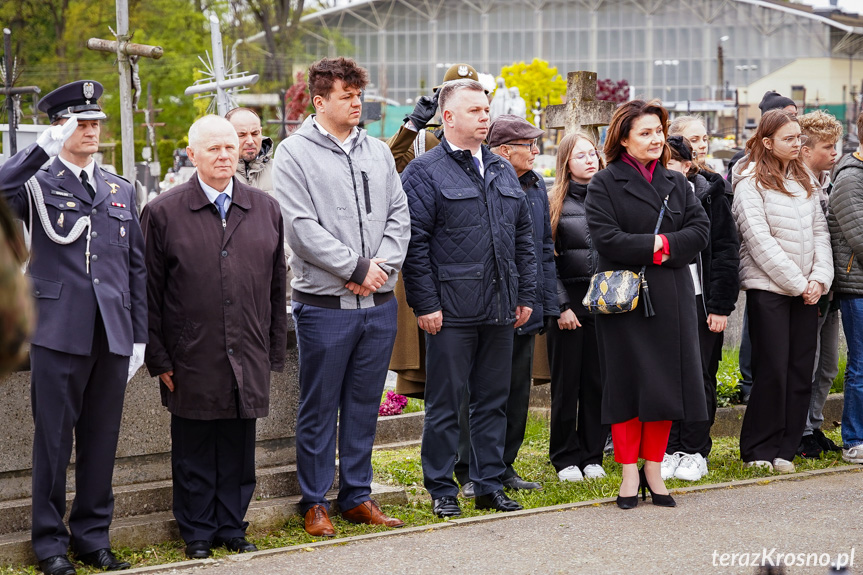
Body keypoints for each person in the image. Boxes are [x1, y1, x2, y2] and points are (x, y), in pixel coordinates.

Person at [0, 80, 147, 575]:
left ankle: (92, 538)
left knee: (102, 440)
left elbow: (136, 268)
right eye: (78, 123)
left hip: (111, 334)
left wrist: (141, 335)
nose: (90, 130)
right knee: (53, 443)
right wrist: (33, 151)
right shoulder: (36, 184)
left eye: (94, 122)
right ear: (59, 128)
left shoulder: (120, 188)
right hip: (57, 332)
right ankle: (48, 545)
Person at [272, 57, 410, 537]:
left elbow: (398, 215)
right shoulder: (293, 154)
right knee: (319, 406)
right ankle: (314, 501)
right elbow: (300, 227)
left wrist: (380, 271)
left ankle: (357, 495)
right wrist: (355, 268)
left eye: (358, 95)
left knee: (363, 402)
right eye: (346, 96)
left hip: (377, 305)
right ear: (320, 101)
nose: (357, 103)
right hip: (324, 306)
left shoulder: (377, 151)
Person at [142, 115, 288, 559]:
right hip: (191, 353)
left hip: (248, 348)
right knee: (194, 448)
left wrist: (272, 350)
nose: (225, 155)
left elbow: (276, 286)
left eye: (230, 147)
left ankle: (232, 525)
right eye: (213, 149)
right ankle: (198, 532)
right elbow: (147, 292)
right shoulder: (164, 211)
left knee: (239, 447)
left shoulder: (264, 207)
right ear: (193, 155)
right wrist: (160, 359)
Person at [401, 79, 536, 518]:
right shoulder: (423, 172)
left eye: (486, 109)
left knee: (492, 401)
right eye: (475, 111)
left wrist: (524, 294)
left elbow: (523, 239)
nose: (485, 117)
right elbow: (414, 244)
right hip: (451, 312)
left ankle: (488, 483)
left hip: (500, 307)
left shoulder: (499, 168)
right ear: (449, 117)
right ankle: (442, 487)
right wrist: (425, 304)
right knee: (445, 404)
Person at [584, 99, 709, 509]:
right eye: (646, 133)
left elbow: (700, 233)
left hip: (671, 297)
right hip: (625, 300)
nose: (656, 139)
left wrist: (661, 246)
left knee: (664, 387)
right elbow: (606, 238)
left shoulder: (677, 182)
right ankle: (627, 473)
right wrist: (661, 245)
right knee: (626, 386)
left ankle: (654, 470)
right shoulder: (605, 182)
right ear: (623, 139)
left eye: (659, 131)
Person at [452, 114, 557, 494]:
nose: (535, 150)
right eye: (528, 144)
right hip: (487, 306)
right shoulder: (486, 182)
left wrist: (543, 302)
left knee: (516, 392)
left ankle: (503, 466)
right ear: (503, 150)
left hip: (524, 306)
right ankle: (467, 470)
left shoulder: (534, 186)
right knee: (477, 392)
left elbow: (543, 248)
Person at [731, 109, 833, 473]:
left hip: (808, 289)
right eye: (789, 139)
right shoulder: (749, 182)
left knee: (799, 368)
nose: (797, 144)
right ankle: (759, 447)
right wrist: (798, 282)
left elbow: (821, 231)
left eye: (798, 138)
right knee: (772, 368)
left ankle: (786, 448)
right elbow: (758, 240)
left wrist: (820, 278)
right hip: (770, 288)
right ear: (767, 141)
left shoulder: (805, 179)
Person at [387, 63, 481, 400]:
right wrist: (412, 127)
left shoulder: (484, 138)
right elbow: (387, 165)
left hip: (475, 265)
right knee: (434, 368)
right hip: (430, 259)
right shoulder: (423, 143)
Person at [662, 133, 739, 482]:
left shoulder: (711, 194)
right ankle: (668, 447)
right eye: (663, 163)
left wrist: (720, 306)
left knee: (700, 375)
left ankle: (694, 449)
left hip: (701, 298)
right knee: (666, 375)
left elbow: (725, 251)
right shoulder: (651, 194)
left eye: (674, 162)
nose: (668, 169)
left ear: (688, 164)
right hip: (663, 299)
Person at [727, 92, 799, 404]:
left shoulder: (800, 172)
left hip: (798, 270)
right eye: (788, 116)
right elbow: (755, 231)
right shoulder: (747, 171)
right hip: (765, 268)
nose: (795, 123)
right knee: (755, 330)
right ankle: (748, 383)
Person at [546, 132, 609, 482]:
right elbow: (546, 260)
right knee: (567, 386)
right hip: (569, 308)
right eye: (580, 155)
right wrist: (561, 306)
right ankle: (565, 456)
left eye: (593, 153)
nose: (590, 159)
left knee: (598, 384)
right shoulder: (553, 200)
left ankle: (592, 454)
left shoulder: (609, 199)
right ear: (566, 163)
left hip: (605, 306)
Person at [797, 110, 844, 459]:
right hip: (808, 286)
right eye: (827, 147)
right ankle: (800, 431)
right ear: (806, 148)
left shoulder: (828, 182)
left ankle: (813, 425)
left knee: (828, 364)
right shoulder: (798, 184)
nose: (834, 153)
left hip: (831, 285)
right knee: (807, 363)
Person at [827, 111, 863, 465]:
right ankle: (854, 438)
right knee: (861, 367)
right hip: (858, 287)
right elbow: (859, 237)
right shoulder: (852, 178)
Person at [226, 107, 274, 194]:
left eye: (255, 134)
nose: (250, 141)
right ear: (226, 136)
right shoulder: (214, 174)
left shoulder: (279, 170)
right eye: (242, 135)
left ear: (261, 132)